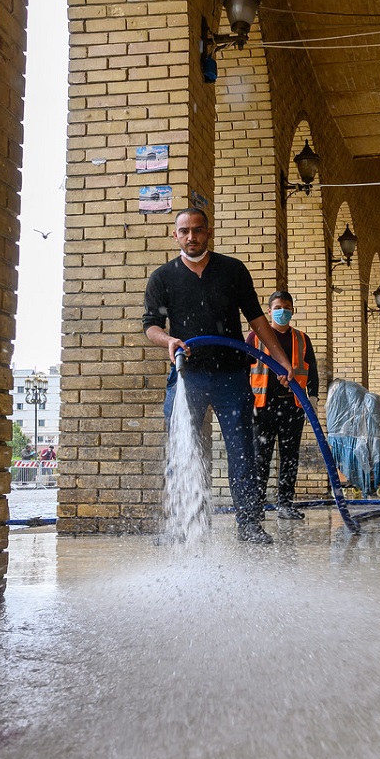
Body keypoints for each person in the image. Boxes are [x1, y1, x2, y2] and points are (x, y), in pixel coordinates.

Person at [143, 207, 290, 543]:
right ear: (175, 235)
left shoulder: (233, 271)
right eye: (184, 231)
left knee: (242, 451)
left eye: (197, 230)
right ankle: (182, 525)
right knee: (182, 448)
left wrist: (283, 364)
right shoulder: (162, 277)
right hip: (187, 376)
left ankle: (250, 525)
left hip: (231, 375)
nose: (191, 237)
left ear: (208, 232)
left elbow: (257, 320)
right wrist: (169, 341)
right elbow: (150, 326)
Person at [245, 291, 319, 519]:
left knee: (289, 458)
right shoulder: (255, 337)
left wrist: (313, 400)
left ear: (293, 310)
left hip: (293, 406)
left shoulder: (301, 339)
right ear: (269, 311)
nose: (282, 312)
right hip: (262, 406)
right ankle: (257, 506)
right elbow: (242, 368)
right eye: (277, 307)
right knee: (260, 458)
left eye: (286, 307)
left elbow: (312, 371)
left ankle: (285, 504)